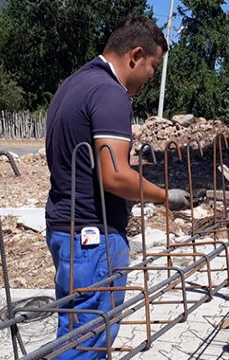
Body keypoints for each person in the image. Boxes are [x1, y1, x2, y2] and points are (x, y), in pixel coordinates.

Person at [44, 16, 191, 359]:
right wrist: (164, 196)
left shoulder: (74, 84)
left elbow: (89, 165)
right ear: (135, 55)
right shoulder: (111, 94)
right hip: (94, 239)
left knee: (73, 331)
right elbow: (114, 176)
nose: (152, 76)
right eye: (153, 66)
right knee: (87, 343)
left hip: (66, 231)